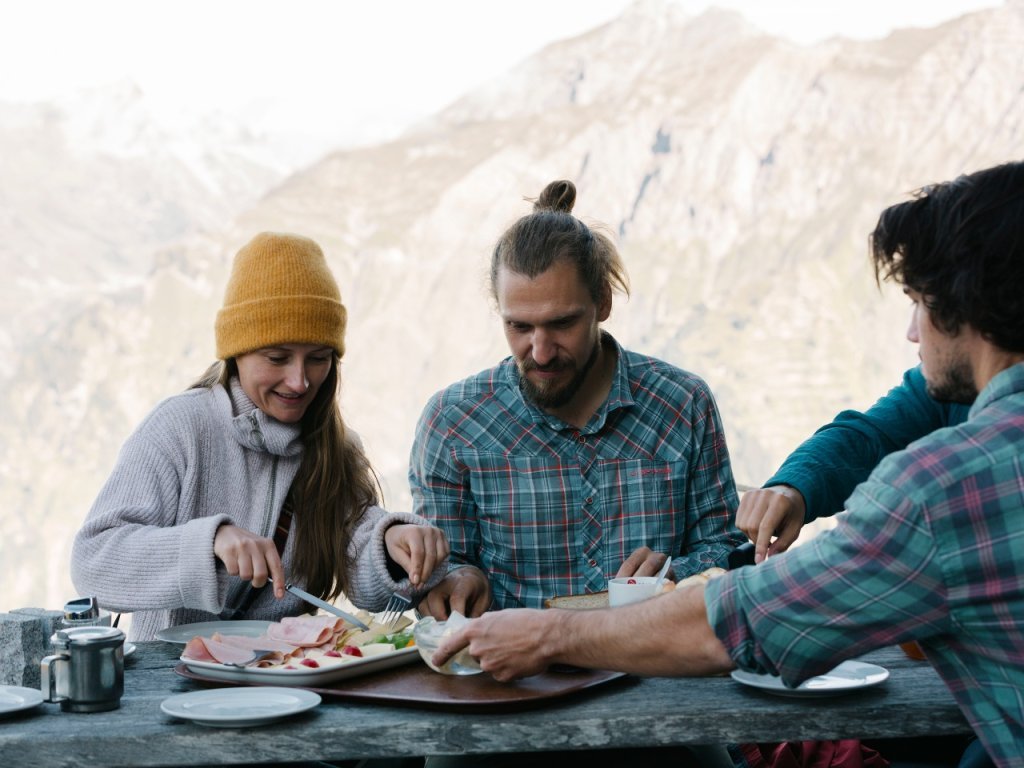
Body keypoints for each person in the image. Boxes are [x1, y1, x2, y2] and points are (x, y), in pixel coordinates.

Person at [432, 161, 1024, 768]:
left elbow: (744, 617)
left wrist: (550, 633)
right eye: (518, 325)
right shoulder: (453, 417)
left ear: (968, 308)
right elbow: (870, 432)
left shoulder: (940, 491)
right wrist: (797, 485)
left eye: (921, 302)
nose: (911, 331)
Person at [71, 231, 449, 641]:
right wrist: (211, 542)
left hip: (290, 681)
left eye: (319, 358)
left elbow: (361, 561)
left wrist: (392, 542)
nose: (300, 381)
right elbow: (93, 563)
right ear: (236, 351)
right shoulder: (179, 427)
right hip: (174, 685)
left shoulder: (337, 449)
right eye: (277, 358)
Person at [410, 179, 745, 619]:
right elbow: (443, 571)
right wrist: (453, 580)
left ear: (602, 302)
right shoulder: (453, 421)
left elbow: (727, 549)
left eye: (562, 324)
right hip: (516, 678)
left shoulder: (682, 403)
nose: (541, 351)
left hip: (654, 668)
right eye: (519, 327)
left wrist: (673, 575)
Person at [736, 365, 972, 562]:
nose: (912, 334)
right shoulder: (944, 379)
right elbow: (866, 438)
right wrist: (793, 488)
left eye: (925, 307)